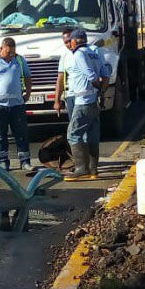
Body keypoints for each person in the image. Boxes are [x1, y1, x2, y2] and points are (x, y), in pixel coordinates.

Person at [54, 29, 111, 179]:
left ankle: (81, 168)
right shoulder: (95, 51)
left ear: (74, 41)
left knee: (73, 134)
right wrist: (102, 92)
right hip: (94, 100)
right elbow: (106, 74)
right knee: (92, 134)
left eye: (70, 41)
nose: (68, 44)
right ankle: (93, 170)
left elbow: (90, 75)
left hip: (82, 101)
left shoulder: (78, 54)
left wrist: (97, 85)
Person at [0, 37, 33, 171]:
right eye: (8, 53)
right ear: (1, 49)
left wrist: (28, 93)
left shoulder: (19, 60)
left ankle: (25, 161)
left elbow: (27, 77)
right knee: (0, 135)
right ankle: (3, 161)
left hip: (17, 105)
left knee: (21, 133)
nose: (10, 55)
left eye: (13, 53)